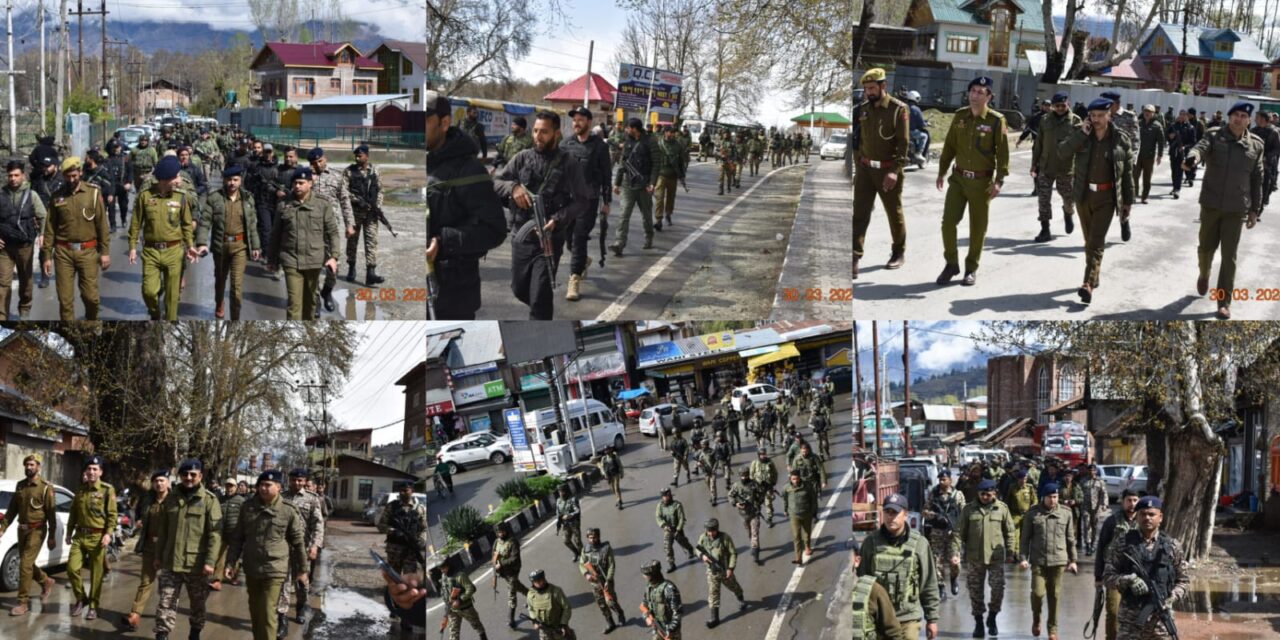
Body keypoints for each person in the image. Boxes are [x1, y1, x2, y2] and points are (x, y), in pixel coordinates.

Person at [493, 110, 590, 319]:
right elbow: (497, 181)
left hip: (549, 239)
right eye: (535, 131)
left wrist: (557, 218)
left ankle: (540, 325)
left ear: (556, 133)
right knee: (519, 289)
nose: (538, 136)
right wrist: (513, 188)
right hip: (521, 235)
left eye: (544, 132)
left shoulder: (569, 162)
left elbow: (582, 200)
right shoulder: (522, 158)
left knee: (540, 297)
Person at [1183, 101, 1264, 320]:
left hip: (1236, 208)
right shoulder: (1214, 135)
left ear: (1249, 120)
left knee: (1229, 256)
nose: (1239, 119)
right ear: (1229, 117)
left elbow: (1257, 179)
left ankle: (1223, 302)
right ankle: (1204, 273)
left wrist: (1254, 210)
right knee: (1205, 249)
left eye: (1243, 116)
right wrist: (1192, 158)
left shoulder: (1256, 145)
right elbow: (1200, 148)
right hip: (1211, 204)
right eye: (1236, 115)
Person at [1060, 97, 1135, 305]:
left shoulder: (1121, 139)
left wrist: (1128, 202)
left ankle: (1087, 284)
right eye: (1093, 115)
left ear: (1109, 115)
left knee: (1095, 242)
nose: (1096, 120)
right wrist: (1081, 134)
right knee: (1089, 241)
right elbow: (1063, 152)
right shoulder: (1082, 133)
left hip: (1107, 198)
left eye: (1101, 115)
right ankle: (1095, 274)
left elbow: (1127, 174)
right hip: (1084, 196)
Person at [936, 76, 1008, 287]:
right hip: (958, 179)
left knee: (977, 228)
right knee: (948, 223)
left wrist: (999, 181)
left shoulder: (996, 121)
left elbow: (1003, 153)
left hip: (981, 182)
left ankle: (971, 268)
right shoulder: (960, 116)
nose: (975, 95)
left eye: (980, 92)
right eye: (973, 91)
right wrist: (941, 171)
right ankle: (951, 264)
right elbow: (949, 146)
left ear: (989, 97)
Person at [225, 470, 307, 640]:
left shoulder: (288, 510)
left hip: (274, 568)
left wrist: (302, 570)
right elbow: (238, 538)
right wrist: (230, 563)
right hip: (252, 567)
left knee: (268, 611)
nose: (263, 488)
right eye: (261, 485)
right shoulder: (248, 507)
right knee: (255, 611)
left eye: (268, 485)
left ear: (278, 487)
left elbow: (298, 543)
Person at [851, 70, 911, 279]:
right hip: (865, 169)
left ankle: (898, 252)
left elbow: (903, 143)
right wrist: (858, 166)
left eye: (872, 88)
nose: (868, 92)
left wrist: (895, 171)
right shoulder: (863, 109)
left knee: (894, 213)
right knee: (859, 213)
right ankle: (854, 256)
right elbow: (858, 140)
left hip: (888, 170)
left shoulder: (898, 109)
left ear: (883, 86)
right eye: (866, 89)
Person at [153, 459, 222, 640]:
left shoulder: (209, 500)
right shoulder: (171, 499)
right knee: (165, 601)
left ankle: (195, 632)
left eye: (193, 474)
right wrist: (158, 556)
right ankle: (162, 634)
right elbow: (163, 531)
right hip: (171, 562)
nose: (189, 478)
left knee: (197, 603)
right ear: (180, 476)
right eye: (185, 474)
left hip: (196, 565)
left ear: (200, 476)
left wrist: (210, 561)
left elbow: (215, 534)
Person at [1102, 496, 1188, 640]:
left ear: (1160, 517)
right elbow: (1107, 577)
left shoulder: (1172, 546)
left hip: (1161, 622)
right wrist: (1128, 580)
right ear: (1137, 517)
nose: (1147, 518)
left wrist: (1171, 598)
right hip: (1130, 622)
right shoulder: (1123, 543)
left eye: (1151, 514)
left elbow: (1183, 581)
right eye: (1142, 514)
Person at [857, 493, 940, 640]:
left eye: (895, 513)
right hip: (878, 618)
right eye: (887, 512)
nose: (891, 517)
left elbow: (929, 583)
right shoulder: (870, 543)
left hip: (907, 617)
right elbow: (861, 581)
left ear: (905, 514)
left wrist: (932, 619)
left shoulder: (920, 544)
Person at [266, 166, 341, 320]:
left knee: (310, 304)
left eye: (301, 183)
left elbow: (333, 232)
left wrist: (334, 257)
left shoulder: (322, 204)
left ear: (310, 183)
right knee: (294, 304)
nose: (297, 186)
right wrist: (272, 259)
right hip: (291, 260)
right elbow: (275, 234)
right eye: (295, 183)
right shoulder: (284, 204)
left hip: (314, 261)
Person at [42, 156, 110, 320]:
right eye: (67, 176)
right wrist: (47, 256)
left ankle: (91, 322)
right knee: (65, 301)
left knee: (91, 298)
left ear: (80, 172)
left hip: (88, 252)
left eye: (74, 175)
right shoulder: (57, 196)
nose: (71, 180)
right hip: (63, 253)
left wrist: (105, 252)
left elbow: (102, 225)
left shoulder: (93, 193)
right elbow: (50, 228)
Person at [560, 106, 612, 302]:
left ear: (589, 122)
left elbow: (606, 175)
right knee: (568, 240)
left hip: (588, 200)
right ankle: (582, 260)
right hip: (567, 200)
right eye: (574, 120)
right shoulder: (565, 144)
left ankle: (574, 279)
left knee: (579, 237)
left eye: (580, 120)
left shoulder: (600, 146)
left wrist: (606, 201)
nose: (576, 123)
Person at [195, 164, 260, 319]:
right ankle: (219, 303)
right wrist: (202, 243)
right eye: (229, 179)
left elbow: (252, 224)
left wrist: (256, 246)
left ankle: (235, 316)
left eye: (235, 180)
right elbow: (205, 222)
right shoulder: (214, 198)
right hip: (221, 246)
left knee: (236, 286)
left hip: (240, 247)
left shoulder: (247, 199)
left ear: (240, 181)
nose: (232, 183)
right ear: (224, 180)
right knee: (220, 280)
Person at [955, 478, 1014, 637]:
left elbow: (1009, 532)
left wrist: (1011, 551)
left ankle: (992, 617)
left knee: (998, 589)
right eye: (982, 494)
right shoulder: (969, 510)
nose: (985, 497)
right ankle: (979, 622)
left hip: (996, 558)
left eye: (988, 494)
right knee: (975, 591)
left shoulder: (1002, 509)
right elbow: (959, 534)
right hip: (975, 557)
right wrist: (956, 553)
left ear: (994, 493)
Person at [1018, 482, 1077, 640]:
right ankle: (1036, 618)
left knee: (1055, 596)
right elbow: (1025, 539)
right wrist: (1023, 558)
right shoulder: (1033, 514)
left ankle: (1052, 629)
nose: (1053, 500)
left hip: (1058, 561)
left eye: (1055, 497)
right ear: (1043, 497)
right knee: (1037, 594)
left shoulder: (1066, 513)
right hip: (1038, 561)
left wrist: (1073, 560)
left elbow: (1070, 539)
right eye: (1050, 497)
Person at [66, 455, 117, 621]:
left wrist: (108, 534)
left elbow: (112, 515)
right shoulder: (80, 490)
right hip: (80, 535)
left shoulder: (107, 490)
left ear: (101, 472)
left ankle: (93, 606)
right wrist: (68, 532)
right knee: (72, 569)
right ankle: (81, 598)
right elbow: (73, 513)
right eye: (89, 469)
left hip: (97, 536)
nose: (91, 472)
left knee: (96, 574)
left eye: (95, 469)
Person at [7, 454, 57, 616]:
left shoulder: (45, 487)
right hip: (22, 530)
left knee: (25, 565)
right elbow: (12, 509)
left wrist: (52, 535)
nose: (28, 467)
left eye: (32, 465)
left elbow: (51, 514)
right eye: (27, 465)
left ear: (38, 467)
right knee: (26, 564)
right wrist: (2, 528)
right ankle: (46, 580)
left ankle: (23, 603)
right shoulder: (20, 486)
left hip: (37, 530)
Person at [277, 468, 326, 627]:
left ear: (305, 481)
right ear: (289, 480)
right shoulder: (281, 497)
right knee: (283, 581)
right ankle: (282, 617)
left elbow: (318, 525)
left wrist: (315, 546)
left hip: (303, 549)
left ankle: (300, 608)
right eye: (293, 480)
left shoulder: (312, 499)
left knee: (302, 583)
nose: (296, 483)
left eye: (300, 480)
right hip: (284, 547)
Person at [1031, 92, 1081, 242]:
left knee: (1068, 198)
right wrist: (1034, 164)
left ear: (1068, 104)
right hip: (1046, 166)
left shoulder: (1076, 121)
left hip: (1066, 167)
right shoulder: (1045, 120)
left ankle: (1068, 213)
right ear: (1052, 106)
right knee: (1043, 199)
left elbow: (1081, 146)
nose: (1060, 108)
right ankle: (1045, 229)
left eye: (1063, 105)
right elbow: (1038, 143)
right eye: (1057, 106)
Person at [0, 160, 46, 320]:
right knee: (3, 283)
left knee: (25, 280)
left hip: (25, 245)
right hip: (4, 247)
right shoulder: (1, 195)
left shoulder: (32, 195)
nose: (13, 178)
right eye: (10, 175)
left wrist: (42, 234)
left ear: (23, 176)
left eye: (16, 175)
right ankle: (2, 316)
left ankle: (25, 308)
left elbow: (43, 216)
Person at [125, 469, 169, 630]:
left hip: (169, 547)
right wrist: (138, 522)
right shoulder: (147, 499)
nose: (159, 483)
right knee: (145, 581)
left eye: (162, 480)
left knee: (167, 584)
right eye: (156, 481)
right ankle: (135, 614)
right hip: (150, 545)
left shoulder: (175, 500)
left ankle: (165, 616)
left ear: (168, 482)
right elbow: (138, 513)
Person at [610, 118, 660, 255]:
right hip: (628, 184)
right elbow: (623, 163)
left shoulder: (651, 141)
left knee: (646, 215)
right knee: (624, 214)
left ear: (634, 129)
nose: (626, 130)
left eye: (628, 128)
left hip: (644, 185)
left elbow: (656, 164)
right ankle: (619, 243)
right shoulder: (628, 141)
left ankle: (649, 237)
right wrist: (617, 183)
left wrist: (652, 183)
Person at [1095, 490, 1140, 640]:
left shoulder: (1143, 522)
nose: (1132, 504)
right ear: (1123, 502)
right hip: (1115, 574)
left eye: (1135, 500)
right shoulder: (1112, 522)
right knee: (1113, 612)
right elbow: (1101, 548)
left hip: (1136, 575)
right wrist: (1098, 577)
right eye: (1129, 500)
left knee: (1135, 615)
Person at [343, 144, 386, 286]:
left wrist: (377, 206)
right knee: (352, 242)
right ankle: (351, 267)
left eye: (360, 156)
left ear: (367, 156)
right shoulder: (349, 171)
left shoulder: (375, 171)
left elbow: (380, 190)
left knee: (371, 242)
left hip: (371, 214)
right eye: (356, 156)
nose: (357, 158)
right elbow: (344, 191)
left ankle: (370, 273)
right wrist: (357, 200)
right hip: (355, 213)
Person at [923, 470, 966, 601]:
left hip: (954, 533)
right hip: (937, 532)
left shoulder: (958, 495)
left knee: (955, 562)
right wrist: (936, 516)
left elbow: (964, 513)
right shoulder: (933, 494)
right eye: (940, 480)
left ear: (950, 480)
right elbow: (925, 512)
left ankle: (954, 578)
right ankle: (941, 587)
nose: (941, 482)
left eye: (944, 479)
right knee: (937, 562)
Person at [696, 518, 747, 628]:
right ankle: (715, 618)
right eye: (708, 531)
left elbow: (733, 553)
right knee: (713, 593)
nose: (710, 533)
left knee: (733, 586)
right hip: (711, 571)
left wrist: (730, 568)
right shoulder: (703, 537)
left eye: (712, 531)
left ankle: (741, 598)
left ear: (717, 529)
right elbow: (697, 549)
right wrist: (702, 556)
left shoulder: (725, 538)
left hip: (724, 570)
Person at [849, 545, 907, 640]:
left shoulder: (874, 591)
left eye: (846, 559)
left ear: (857, 561)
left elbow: (893, 632)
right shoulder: (824, 593)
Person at [579, 527, 627, 633]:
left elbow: (611, 565)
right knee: (601, 604)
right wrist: (586, 574)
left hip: (606, 580)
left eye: (594, 537)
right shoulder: (585, 550)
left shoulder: (606, 548)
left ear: (598, 537)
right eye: (590, 537)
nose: (592, 540)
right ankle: (610, 623)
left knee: (610, 602)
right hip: (594, 582)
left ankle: (620, 613)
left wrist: (608, 580)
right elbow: (582, 563)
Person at [432, 557, 489, 640]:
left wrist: (460, 600)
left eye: (443, 567)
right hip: (452, 609)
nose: (442, 570)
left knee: (477, 626)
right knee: (453, 633)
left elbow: (471, 588)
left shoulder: (460, 576)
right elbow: (444, 592)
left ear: (448, 565)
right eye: (440, 568)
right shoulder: (444, 577)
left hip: (465, 608)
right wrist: (447, 607)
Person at [379, 480, 429, 575]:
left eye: (405, 490)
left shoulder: (420, 509)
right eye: (400, 490)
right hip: (394, 550)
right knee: (394, 577)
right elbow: (381, 525)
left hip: (411, 550)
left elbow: (425, 528)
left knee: (409, 578)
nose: (402, 493)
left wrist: (422, 539)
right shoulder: (391, 507)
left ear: (412, 491)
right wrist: (393, 531)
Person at [490, 521, 529, 628]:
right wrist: (495, 568)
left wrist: (501, 564)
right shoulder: (496, 542)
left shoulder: (512, 542)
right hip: (503, 571)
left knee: (512, 592)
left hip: (512, 570)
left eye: (502, 531)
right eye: (498, 532)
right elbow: (493, 555)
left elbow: (514, 558)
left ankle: (510, 618)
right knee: (517, 586)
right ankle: (531, 595)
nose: (500, 534)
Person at [212, 477, 247, 591]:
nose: (229, 488)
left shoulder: (241, 501)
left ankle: (233, 576)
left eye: (231, 486)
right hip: (221, 532)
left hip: (235, 533)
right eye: (227, 486)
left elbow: (245, 516)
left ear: (236, 487)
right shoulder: (220, 499)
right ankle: (217, 579)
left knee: (234, 556)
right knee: (219, 556)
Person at [655, 488, 697, 572]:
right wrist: (664, 525)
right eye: (663, 496)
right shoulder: (660, 506)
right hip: (667, 529)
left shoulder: (677, 505)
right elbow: (658, 517)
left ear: (670, 495)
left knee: (683, 542)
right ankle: (671, 564)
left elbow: (681, 518)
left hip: (677, 529)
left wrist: (678, 529)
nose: (665, 498)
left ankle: (690, 549)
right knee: (667, 547)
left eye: (667, 496)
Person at [782, 469, 818, 565]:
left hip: (806, 513)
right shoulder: (786, 487)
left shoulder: (807, 486)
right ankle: (798, 558)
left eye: (797, 478)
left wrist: (813, 511)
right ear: (790, 478)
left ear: (799, 478)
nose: (795, 481)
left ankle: (807, 547)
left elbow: (813, 499)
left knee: (807, 533)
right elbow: (785, 499)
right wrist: (785, 510)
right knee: (796, 536)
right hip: (794, 515)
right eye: (793, 479)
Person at [728, 470, 764, 563]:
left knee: (755, 533)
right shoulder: (736, 485)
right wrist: (736, 503)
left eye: (746, 475)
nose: (744, 477)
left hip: (754, 513)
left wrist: (758, 502)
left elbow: (761, 494)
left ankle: (755, 554)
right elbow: (730, 495)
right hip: (743, 514)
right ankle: (754, 545)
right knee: (749, 533)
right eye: (742, 476)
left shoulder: (754, 484)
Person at [640, 560, 682, 639]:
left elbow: (677, 612)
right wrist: (646, 617)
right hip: (656, 629)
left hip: (670, 632)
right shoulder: (649, 587)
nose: (644, 576)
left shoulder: (669, 588)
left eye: (646, 574)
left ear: (653, 575)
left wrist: (670, 630)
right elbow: (644, 604)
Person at [526, 569, 573, 639]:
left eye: (541, 580)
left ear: (544, 579)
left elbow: (566, 608)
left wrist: (563, 624)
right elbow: (531, 609)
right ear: (533, 583)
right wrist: (535, 622)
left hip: (558, 627)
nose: (540, 583)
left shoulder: (556, 591)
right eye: (537, 582)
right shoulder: (531, 594)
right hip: (543, 629)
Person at [654, 125, 686, 230]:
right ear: (665, 132)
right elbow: (653, 159)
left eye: (674, 132)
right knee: (659, 197)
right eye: (671, 132)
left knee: (671, 197)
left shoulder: (678, 145)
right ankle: (658, 220)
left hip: (673, 176)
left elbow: (682, 161)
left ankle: (668, 213)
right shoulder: (658, 143)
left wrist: (682, 175)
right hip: (661, 175)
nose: (673, 134)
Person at [1136, 105, 1166, 207]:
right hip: (1137, 155)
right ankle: (1134, 194)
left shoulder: (1157, 126)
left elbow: (1161, 142)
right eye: (1145, 111)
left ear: (1153, 113)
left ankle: (1144, 197)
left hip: (1149, 156)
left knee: (1147, 178)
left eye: (1149, 111)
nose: (1147, 113)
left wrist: (1159, 155)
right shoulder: (1138, 123)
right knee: (1134, 176)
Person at [1250, 110, 1280, 209]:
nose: (1255, 119)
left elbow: (1277, 148)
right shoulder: (1253, 131)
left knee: (1265, 187)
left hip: (1267, 165)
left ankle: (1259, 208)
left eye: (1257, 117)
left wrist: (1266, 157)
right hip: (1253, 163)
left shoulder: (1273, 132)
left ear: (1263, 119)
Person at [1078, 466, 1109, 555]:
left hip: (1096, 507)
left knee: (1094, 526)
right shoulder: (1083, 481)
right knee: (1086, 525)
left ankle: (1093, 544)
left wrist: (1104, 504)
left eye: (1093, 470)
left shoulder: (1100, 481)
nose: (1091, 472)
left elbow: (1104, 493)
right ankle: (1087, 544)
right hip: (1085, 506)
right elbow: (1079, 492)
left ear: (1096, 471)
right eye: (1090, 470)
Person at [1166, 110, 1196, 200]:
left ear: (1187, 116)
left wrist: (1184, 147)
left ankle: (1177, 189)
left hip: (1183, 153)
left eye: (1184, 115)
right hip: (1173, 152)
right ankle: (1174, 187)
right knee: (1174, 171)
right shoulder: (1173, 126)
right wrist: (1170, 137)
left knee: (1179, 171)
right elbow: (1166, 135)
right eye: (1180, 114)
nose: (1182, 116)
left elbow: (1193, 142)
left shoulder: (1190, 127)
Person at [749, 448, 779, 527]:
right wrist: (753, 485)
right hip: (758, 487)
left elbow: (775, 473)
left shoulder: (770, 462)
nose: (763, 456)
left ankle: (769, 518)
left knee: (768, 503)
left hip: (768, 487)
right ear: (759, 455)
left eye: (764, 454)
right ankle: (757, 517)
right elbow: (751, 475)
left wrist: (773, 482)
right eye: (762, 454)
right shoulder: (755, 463)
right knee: (757, 504)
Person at [555, 484, 583, 560]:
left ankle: (583, 555)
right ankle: (576, 552)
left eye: (562, 491)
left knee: (577, 541)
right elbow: (558, 512)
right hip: (565, 524)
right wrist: (558, 523)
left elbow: (577, 510)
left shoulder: (573, 499)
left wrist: (570, 515)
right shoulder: (558, 501)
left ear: (566, 491)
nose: (561, 493)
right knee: (566, 541)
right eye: (560, 491)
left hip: (574, 523)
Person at [598, 445, 625, 509]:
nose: (607, 451)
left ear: (610, 450)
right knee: (613, 489)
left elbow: (620, 465)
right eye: (606, 450)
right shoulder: (604, 459)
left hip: (616, 474)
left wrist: (622, 473)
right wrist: (604, 474)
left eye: (608, 449)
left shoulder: (615, 456)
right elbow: (602, 468)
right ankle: (618, 498)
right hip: (609, 476)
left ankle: (619, 501)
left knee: (616, 488)